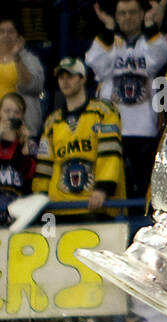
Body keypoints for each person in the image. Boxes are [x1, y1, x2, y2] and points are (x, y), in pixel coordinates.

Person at [84, 0, 167, 198]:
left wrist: (151, 26)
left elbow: (159, 56)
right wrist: (107, 30)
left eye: (132, 12)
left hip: (145, 130)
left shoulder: (149, 41)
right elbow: (95, 64)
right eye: (122, 13)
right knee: (115, 188)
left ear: (141, 14)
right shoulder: (108, 42)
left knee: (143, 189)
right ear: (116, 16)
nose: (128, 17)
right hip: (111, 130)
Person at [32, 57, 125, 217]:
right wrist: (40, 198)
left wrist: (103, 189)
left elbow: (109, 154)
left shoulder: (104, 112)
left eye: (70, 76)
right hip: (59, 208)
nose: (65, 81)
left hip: (95, 206)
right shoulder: (52, 122)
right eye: (61, 77)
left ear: (83, 79)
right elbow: (44, 165)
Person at [0, 15, 44, 138]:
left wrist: (16, 57)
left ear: (20, 37)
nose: (5, 35)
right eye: (1, 31)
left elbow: (33, 87)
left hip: (22, 129)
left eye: (11, 31)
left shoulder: (29, 60)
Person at [0, 90, 35, 225]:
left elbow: (28, 178)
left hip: (16, 215)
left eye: (16, 112)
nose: (11, 116)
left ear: (22, 117)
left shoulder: (28, 144)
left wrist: (25, 144)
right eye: (7, 111)